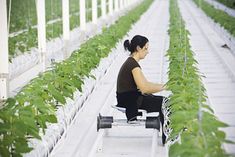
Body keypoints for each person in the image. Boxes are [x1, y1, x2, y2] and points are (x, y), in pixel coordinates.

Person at [116, 35, 167, 145]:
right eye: (146, 48)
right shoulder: (133, 65)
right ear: (138, 48)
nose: (147, 52)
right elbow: (145, 89)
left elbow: (145, 85)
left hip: (129, 99)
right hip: (131, 101)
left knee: (164, 101)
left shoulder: (131, 63)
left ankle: (166, 134)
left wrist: (164, 86)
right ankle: (166, 138)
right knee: (166, 103)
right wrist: (166, 87)